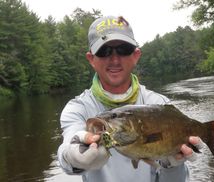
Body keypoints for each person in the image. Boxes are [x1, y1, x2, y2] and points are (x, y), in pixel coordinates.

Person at [57, 15, 204, 182]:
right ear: (91, 59)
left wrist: (172, 165)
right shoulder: (78, 108)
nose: (114, 59)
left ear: (136, 55)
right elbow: (68, 146)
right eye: (104, 51)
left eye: (123, 50)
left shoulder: (160, 105)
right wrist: (72, 158)